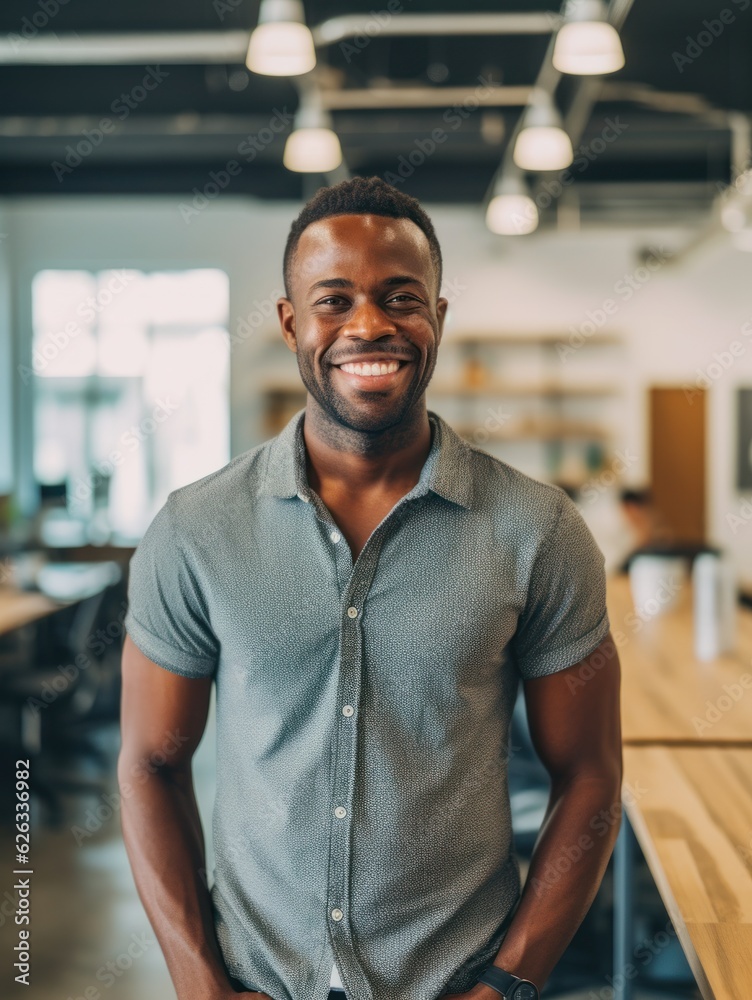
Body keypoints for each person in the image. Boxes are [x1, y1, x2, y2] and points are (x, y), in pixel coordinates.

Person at [119, 176, 623, 1000]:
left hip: (453, 979)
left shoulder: (538, 529)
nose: (368, 326)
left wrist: (510, 985)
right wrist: (199, 983)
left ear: (438, 318)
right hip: (260, 977)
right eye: (333, 300)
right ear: (290, 322)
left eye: (400, 298)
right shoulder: (195, 531)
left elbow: (591, 775)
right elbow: (147, 764)